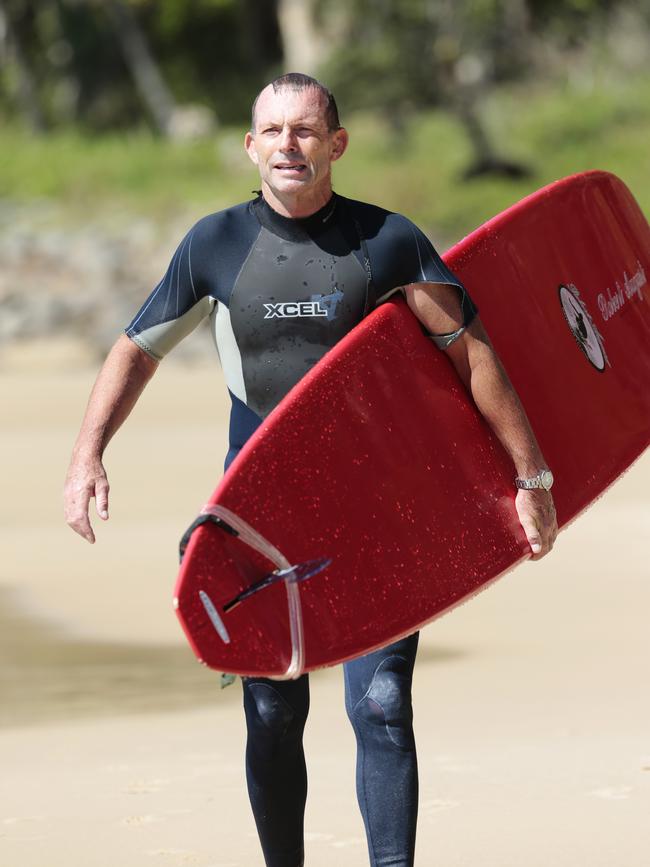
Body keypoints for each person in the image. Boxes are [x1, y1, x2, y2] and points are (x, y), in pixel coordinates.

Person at [64, 73, 557, 867]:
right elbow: (136, 348)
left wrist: (529, 479)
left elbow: (472, 351)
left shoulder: (387, 240)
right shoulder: (215, 244)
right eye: (273, 131)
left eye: (305, 131)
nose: (288, 146)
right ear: (250, 145)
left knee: (383, 704)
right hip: (262, 517)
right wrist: (88, 454)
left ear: (337, 144)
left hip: (378, 510)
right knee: (271, 713)